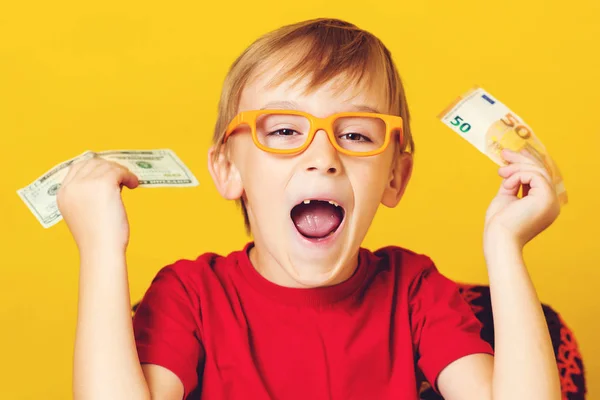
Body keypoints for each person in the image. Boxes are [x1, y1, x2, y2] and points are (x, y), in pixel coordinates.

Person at [58, 18, 562, 400]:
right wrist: (101, 248)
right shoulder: (191, 296)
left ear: (395, 176)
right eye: (283, 131)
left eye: (356, 135)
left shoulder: (414, 290)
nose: (323, 159)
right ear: (228, 169)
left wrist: (505, 244)